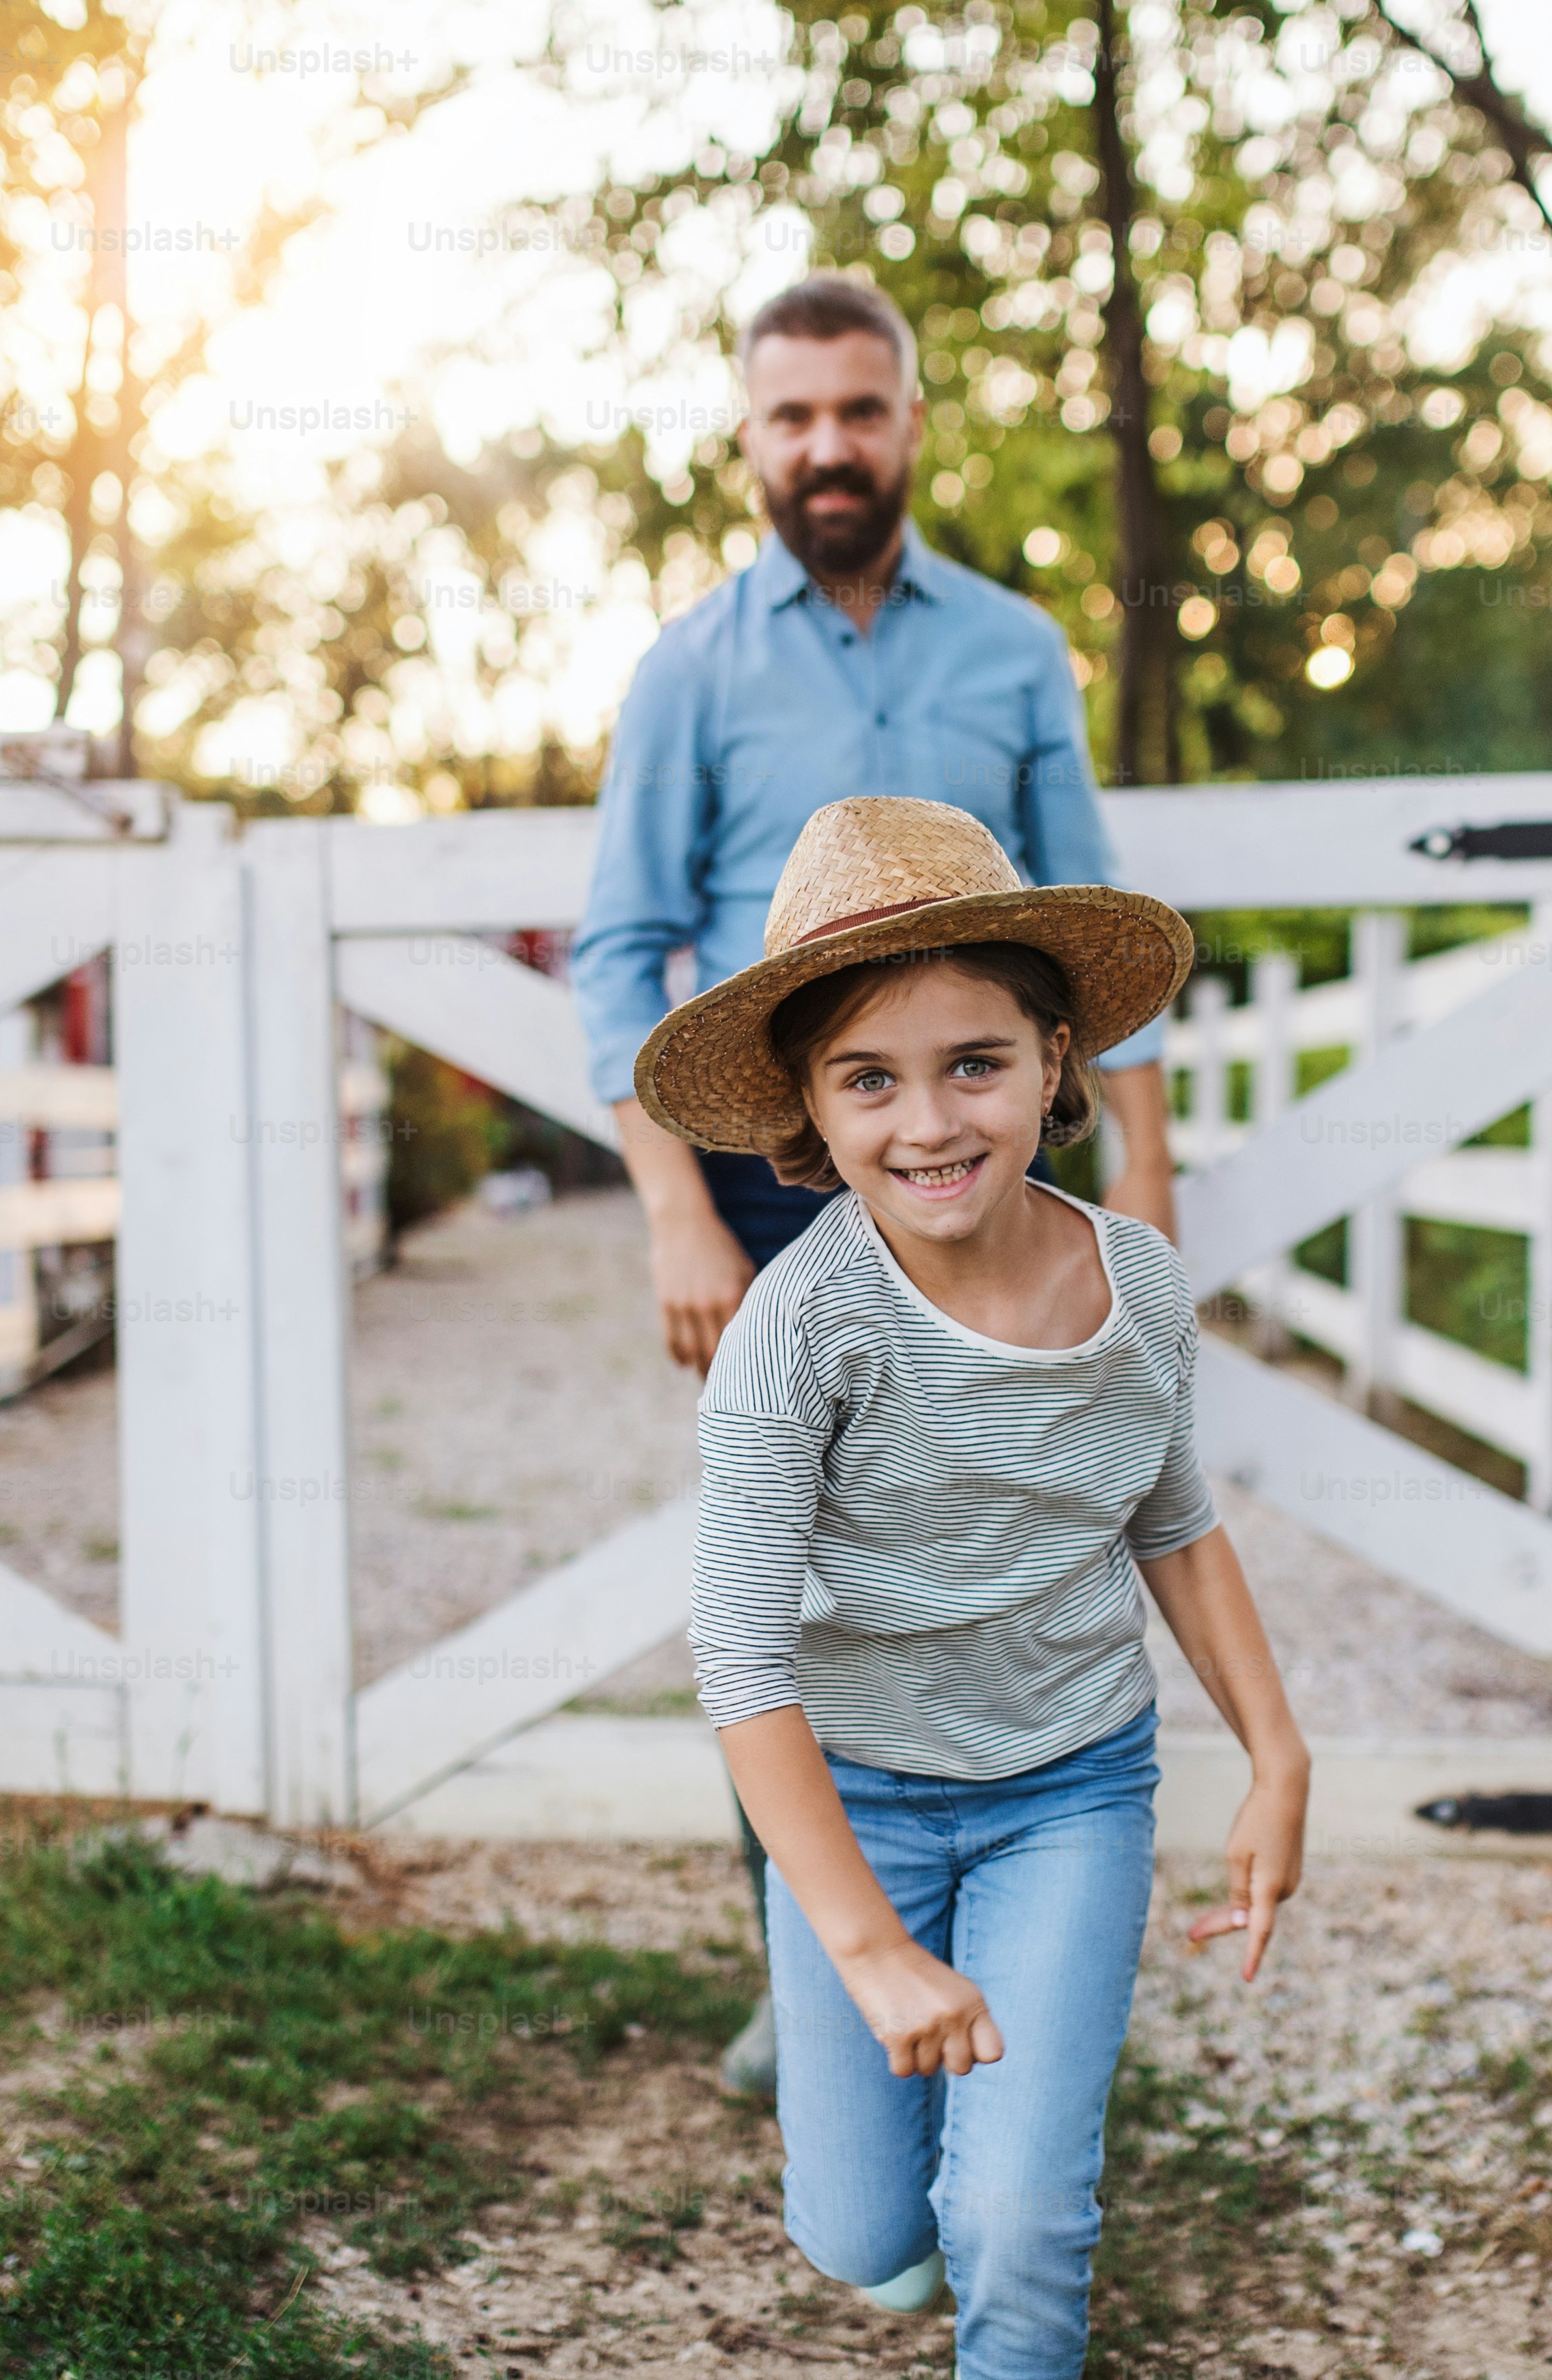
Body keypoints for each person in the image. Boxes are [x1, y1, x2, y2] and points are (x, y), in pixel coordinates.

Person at [569, 269, 1183, 2099]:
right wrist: (677, 1208)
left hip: (1002, 1161)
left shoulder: (1009, 648)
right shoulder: (689, 668)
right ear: (749, 440)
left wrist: (1140, 1186)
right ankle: (817, 1958)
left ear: (911, 424)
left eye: (860, 409)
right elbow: (622, 946)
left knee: (1016, 1548)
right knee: (801, 1587)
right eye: (792, 416)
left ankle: (1013, 1931)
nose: (827, 445)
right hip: (770, 1182)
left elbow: (1084, 927)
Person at [635, 794, 1308, 2370]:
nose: (927, 1122)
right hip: (860, 1797)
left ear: (1057, 1059)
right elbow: (738, 1655)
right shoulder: (797, 1333)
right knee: (867, 2231)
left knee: (1019, 2217)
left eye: (975, 1064)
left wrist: (1277, 1754)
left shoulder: (1134, 1277)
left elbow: (1175, 1523)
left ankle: (1011, 2215)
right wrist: (866, 1940)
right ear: (808, 1099)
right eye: (870, 1078)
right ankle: (910, 2147)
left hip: (1070, 1786)